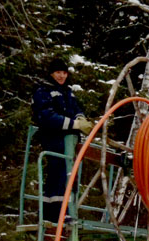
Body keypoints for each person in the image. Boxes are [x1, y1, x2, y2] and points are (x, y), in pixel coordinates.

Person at [31, 57, 93, 223]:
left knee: (68, 175)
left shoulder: (68, 92)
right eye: (58, 72)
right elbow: (47, 116)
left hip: (68, 140)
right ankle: (54, 213)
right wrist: (75, 124)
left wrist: (82, 119)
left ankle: (63, 211)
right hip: (53, 138)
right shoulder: (44, 91)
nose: (61, 76)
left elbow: (76, 109)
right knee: (58, 172)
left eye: (64, 72)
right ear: (52, 73)